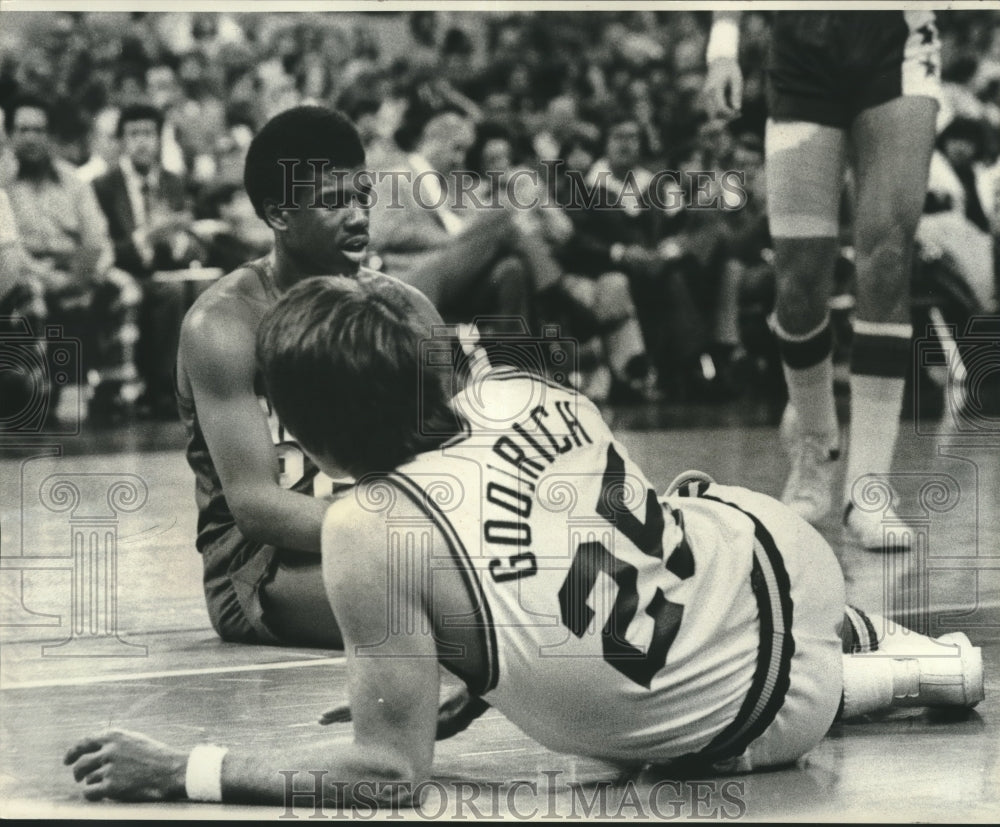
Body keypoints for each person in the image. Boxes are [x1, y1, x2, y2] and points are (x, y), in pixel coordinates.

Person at [65, 276, 983, 807]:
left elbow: (388, 775)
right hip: (785, 566)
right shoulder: (519, 388)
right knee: (688, 512)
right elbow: (559, 542)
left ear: (306, 437)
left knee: (660, 717)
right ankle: (894, 652)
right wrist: (484, 652)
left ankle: (902, 672)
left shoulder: (361, 529)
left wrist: (186, 768)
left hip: (750, 733)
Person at [170, 105, 445, 648]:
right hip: (260, 568)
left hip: (389, 534)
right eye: (332, 202)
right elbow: (257, 508)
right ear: (278, 214)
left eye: (361, 196)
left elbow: (458, 448)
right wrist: (410, 539)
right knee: (442, 612)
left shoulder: (403, 307)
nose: (358, 216)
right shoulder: (222, 324)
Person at [703, 11, 943, 548]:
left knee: (886, 260)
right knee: (799, 285)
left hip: (896, 46)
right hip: (801, 54)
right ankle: (814, 440)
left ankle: (870, 489)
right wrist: (723, 47)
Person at [0, 93, 141, 423]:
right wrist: (53, 279)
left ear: (49, 135)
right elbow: (9, 250)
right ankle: (39, 397)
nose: (32, 137)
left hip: (79, 268)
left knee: (126, 289)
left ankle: (115, 392)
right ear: (9, 135)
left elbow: (98, 239)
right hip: (30, 271)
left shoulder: (73, 181)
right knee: (32, 294)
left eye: (39, 129)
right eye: (23, 130)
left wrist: (88, 275)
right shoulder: (2, 185)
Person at [93, 103, 202, 418]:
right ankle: (163, 388)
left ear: (159, 139)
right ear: (121, 141)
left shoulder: (173, 181)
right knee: (170, 293)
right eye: (133, 134)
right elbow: (105, 247)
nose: (142, 142)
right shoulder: (104, 186)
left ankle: (201, 386)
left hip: (170, 270)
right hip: (126, 272)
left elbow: (188, 237)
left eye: (149, 134)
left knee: (204, 286)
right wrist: (147, 238)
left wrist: (180, 242)